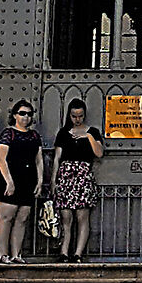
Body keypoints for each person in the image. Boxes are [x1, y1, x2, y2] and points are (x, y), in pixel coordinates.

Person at [48, 96, 105, 261]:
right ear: (69, 115)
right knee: (66, 216)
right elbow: (57, 158)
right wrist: (54, 180)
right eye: (74, 116)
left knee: (82, 216)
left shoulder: (92, 132)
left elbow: (99, 153)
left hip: (83, 175)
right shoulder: (63, 133)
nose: (77, 119)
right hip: (66, 175)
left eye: (80, 115)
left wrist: (88, 137)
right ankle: (64, 252)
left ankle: (78, 253)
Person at [0, 100, 43, 264]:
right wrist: (9, 181)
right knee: (6, 217)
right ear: (15, 115)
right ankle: (3, 254)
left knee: (22, 218)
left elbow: (39, 160)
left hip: (27, 179)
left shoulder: (34, 136)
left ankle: (17, 254)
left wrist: (40, 180)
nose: (26, 117)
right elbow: (1, 159)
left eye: (29, 114)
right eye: (22, 113)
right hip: (9, 177)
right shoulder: (8, 133)